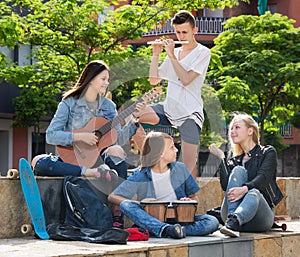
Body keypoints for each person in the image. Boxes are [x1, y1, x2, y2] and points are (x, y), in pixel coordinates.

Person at [32, 60, 145, 229]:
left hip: (98, 160)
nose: (107, 83)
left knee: (115, 150)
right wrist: (80, 137)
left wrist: (134, 120)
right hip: (72, 158)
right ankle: (88, 172)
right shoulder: (69, 103)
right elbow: (51, 135)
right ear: (91, 79)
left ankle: (118, 211)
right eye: (103, 79)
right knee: (39, 163)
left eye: (108, 80)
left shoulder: (109, 107)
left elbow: (118, 138)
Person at [132, 10, 211, 178]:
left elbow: (186, 79)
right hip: (169, 108)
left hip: (190, 113)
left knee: (188, 164)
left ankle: (192, 200)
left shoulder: (203, 52)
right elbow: (154, 80)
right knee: (133, 115)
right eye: (178, 32)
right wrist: (156, 54)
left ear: (194, 31)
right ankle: (150, 160)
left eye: (185, 32)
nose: (181, 36)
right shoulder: (174, 52)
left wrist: (171, 55)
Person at [108, 131, 219, 239]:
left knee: (212, 222)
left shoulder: (180, 169)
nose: (176, 150)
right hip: (153, 219)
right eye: (171, 147)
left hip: (180, 220)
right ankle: (165, 229)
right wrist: (141, 203)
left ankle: (170, 230)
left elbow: (194, 197)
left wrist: (189, 201)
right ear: (160, 153)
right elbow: (112, 196)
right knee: (126, 204)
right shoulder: (141, 174)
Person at [209, 112, 284, 237]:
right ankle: (232, 223)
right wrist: (222, 158)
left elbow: (263, 178)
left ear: (250, 131)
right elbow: (225, 186)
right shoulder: (234, 161)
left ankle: (234, 222)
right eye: (231, 128)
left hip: (259, 218)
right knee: (238, 170)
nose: (232, 131)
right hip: (230, 215)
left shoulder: (267, 152)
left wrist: (245, 189)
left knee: (253, 192)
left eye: (237, 127)